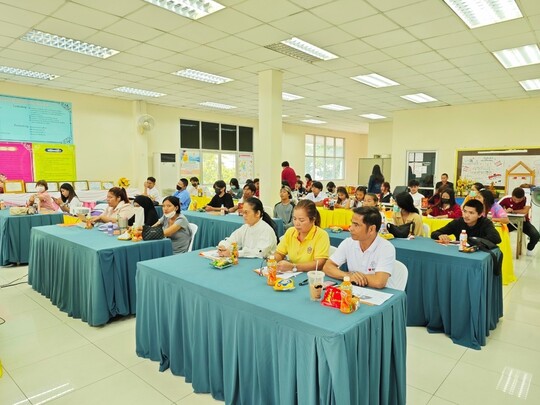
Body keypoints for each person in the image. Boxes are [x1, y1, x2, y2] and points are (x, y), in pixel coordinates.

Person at [323, 207, 400, 289]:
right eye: (352, 223)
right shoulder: (348, 242)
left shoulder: (386, 248)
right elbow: (327, 267)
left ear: (371, 229)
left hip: (380, 293)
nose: (351, 228)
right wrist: (347, 276)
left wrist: (355, 278)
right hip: (355, 290)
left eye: (356, 225)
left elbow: (379, 282)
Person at [274, 200, 330, 272]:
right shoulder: (290, 232)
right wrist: (274, 259)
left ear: (313, 220)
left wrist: (293, 267)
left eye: (301, 220)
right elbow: (279, 253)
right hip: (292, 274)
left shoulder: (321, 235)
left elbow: (319, 264)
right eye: (294, 219)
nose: (297, 223)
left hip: (311, 275)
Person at [431, 199, 502, 245]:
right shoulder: (458, 222)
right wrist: (440, 236)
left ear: (480, 214)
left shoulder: (485, 222)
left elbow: (496, 238)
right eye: (464, 211)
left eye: (471, 213)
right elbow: (434, 233)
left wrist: (471, 241)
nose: (466, 215)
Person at [499, 187, 539, 255]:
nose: (516, 201)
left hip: (523, 223)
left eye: (519, 200)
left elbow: (525, 211)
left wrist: (512, 211)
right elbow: (494, 209)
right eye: (515, 199)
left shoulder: (527, 198)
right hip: (508, 222)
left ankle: (529, 249)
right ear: (512, 196)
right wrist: (504, 211)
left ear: (523, 197)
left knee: (535, 235)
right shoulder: (506, 198)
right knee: (497, 232)